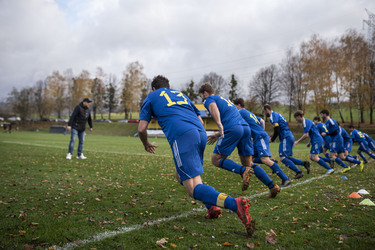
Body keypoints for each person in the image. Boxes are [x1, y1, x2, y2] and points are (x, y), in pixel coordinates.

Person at [138, 76, 255, 236]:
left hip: (182, 134)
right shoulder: (180, 95)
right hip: (199, 133)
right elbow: (200, 120)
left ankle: (234, 204)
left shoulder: (152, 97)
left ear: (153, 88)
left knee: (192, 188)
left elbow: (141, 128)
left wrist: (146, 144)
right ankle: (212, 207)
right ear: (168, 86)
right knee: (181, 176)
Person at [198, 83, 280, 198]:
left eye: (201, 96)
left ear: (205, 93)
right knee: (249, 163)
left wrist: (220, 125)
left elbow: (213, 107)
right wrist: (218, 135)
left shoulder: (209, 99)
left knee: (216, 159)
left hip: (233, 128)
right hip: (245, 128)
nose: (202, 99)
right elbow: (231, 116)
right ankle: (272, 186)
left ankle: (243, 171)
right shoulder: (225, 99)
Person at [232, 98, 292, 187]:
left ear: (239, 105)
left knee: (264, 160)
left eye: (235, 106)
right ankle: (268, 164)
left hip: (259, 137)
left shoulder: (240, 112)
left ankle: (285, 179)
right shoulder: (248, 113)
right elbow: (262, 121)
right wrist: (261, 131)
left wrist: (260, 133)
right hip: (258, 137)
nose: (234, 108)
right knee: (250, 159)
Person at [263, 104, 310, 179]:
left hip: (285, 137)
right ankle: (304, 163)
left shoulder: (273, 116)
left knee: (282, 158)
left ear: (267, 109)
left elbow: (277, 129)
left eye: (264, 111)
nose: (264, 113)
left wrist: (272, 139)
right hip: (288, 135)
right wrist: (272, 136)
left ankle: (298, 172)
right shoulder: (278, 114)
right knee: (287, 157)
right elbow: (280, 128)